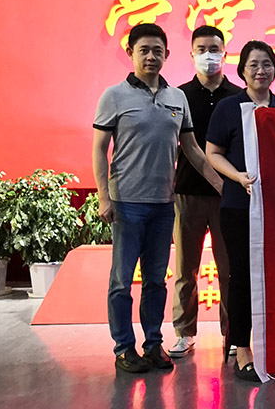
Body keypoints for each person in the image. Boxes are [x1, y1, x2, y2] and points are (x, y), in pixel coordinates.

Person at [93, 23, 223, 373]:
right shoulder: (114, 96)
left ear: (167, 55)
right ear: (130, 53)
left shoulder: (176, 98)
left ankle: (152, 343)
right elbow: (100, 149)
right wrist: (104, 197)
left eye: (157, 51)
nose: (151, 56)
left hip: (165, 204)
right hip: (126, 204)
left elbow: (192, 150)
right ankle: (124, 347)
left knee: (155, 281)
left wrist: (222, 185)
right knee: (122, 282)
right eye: (144, 50)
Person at [205, 40, 275, 381]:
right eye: (253, 65)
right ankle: (242, 347)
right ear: (242, 71)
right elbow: (212, 153)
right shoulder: (229, 108)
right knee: (242, 278)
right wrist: (238, 177)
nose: (261, 70)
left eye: (267, 64)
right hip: (238, 205)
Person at [169, 25, 242, 358]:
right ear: (192, 54)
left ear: (225, 53)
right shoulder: (178, 96)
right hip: (187, 192)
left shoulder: (238, 97)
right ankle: (184, 332)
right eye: (202, 49)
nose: (208, 55)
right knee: (186, 269)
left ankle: (233, 334)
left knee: (230, 270)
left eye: (214, 49)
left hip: (229, 195)